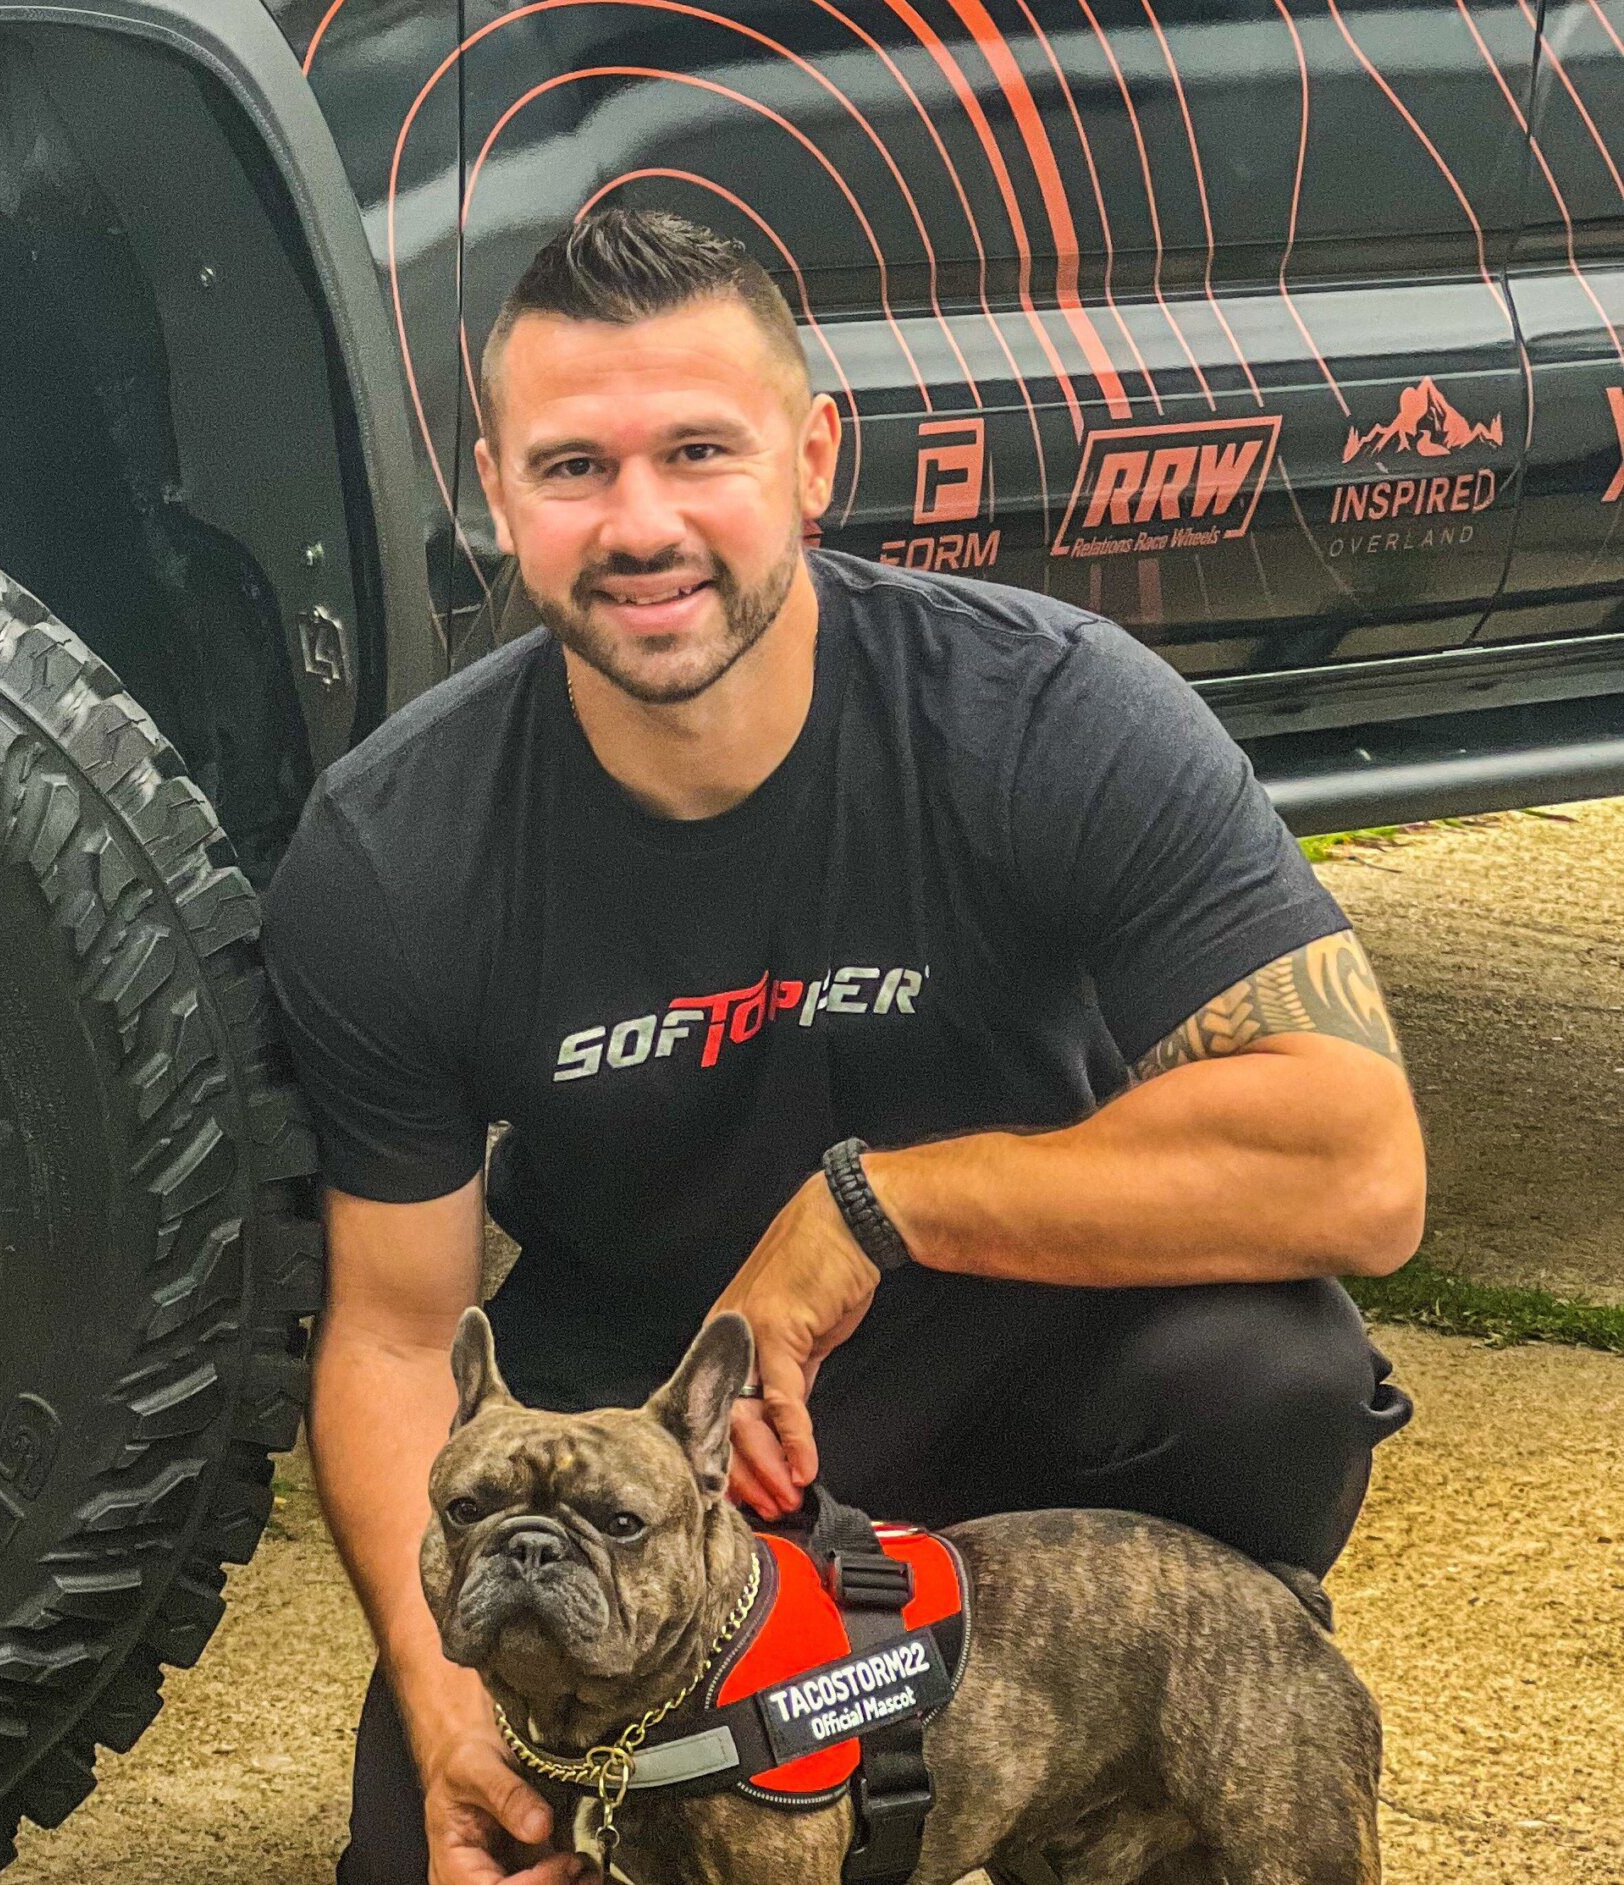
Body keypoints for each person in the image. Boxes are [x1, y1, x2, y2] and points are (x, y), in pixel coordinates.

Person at [260, 208, 1423, 1885]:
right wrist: (454, 1712)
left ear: (813, 459)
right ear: (495, 493)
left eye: (699, 451)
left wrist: (875, 1208)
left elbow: (1361, 1162)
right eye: (575, 466)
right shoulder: (396, 849)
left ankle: (1122, 1777)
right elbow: (393, 1332)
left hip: (1022, 1370)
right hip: (652, 1459)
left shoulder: (1047, 713)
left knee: (1270, 1378)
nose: (641, 523)